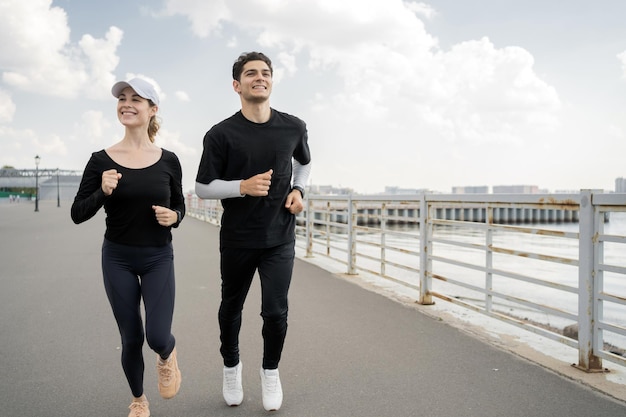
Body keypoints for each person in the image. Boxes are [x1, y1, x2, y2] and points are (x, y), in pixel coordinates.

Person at [195, 51, 311, 412]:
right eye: (250, 74)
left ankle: (270, 373)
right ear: (237, 85)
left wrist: (299, 191)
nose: (258, 78)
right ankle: (231, 367)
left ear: (271, 81)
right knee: (231, 307)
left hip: (280, 237)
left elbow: (303, 164)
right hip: (238, 238)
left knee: (275, 312)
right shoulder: (220, 134)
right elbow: (202, 187)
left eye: (265, 73)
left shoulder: (293, 127)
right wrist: (240, 187)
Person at [71, 78, 184, 417]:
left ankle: (167, 357)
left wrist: (174, 216)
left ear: (153, 110)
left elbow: (180, 206)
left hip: (157, 257)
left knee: (157, 335)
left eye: (137, 98)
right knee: (131, 336)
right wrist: (102, 192)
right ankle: (138, 400)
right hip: (117, 257)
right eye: (122, 97)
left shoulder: (169, 160)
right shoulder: (100, 160)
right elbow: (78, 213)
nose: (127, 103)